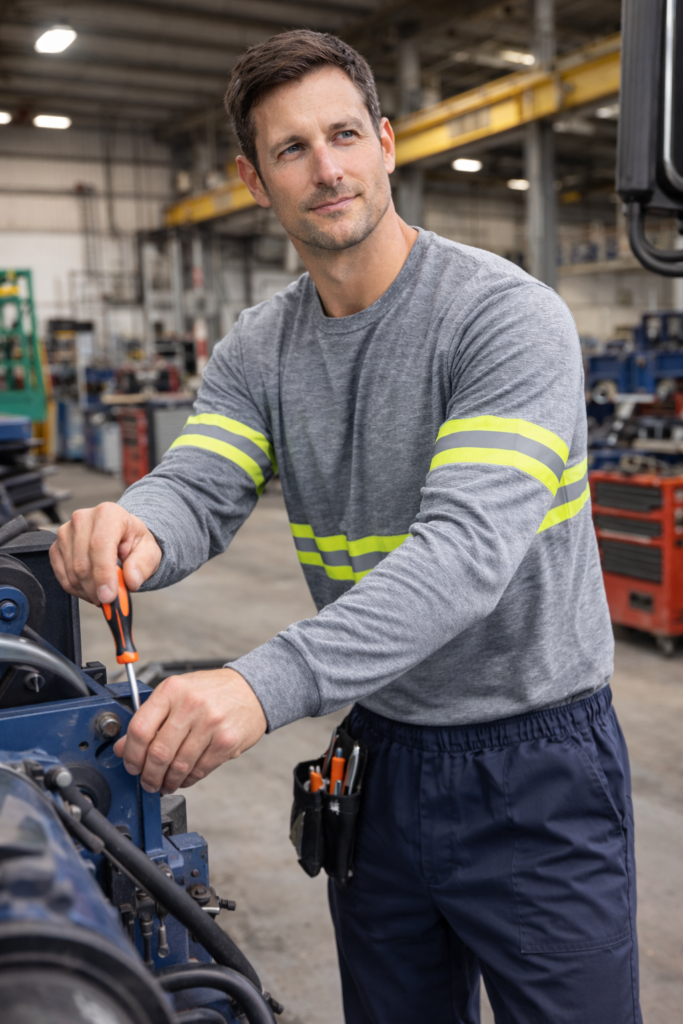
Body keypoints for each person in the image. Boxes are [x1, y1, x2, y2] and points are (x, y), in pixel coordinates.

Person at [50, 30, 641, 1024]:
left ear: (385, 141)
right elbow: (198, 484)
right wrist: (132, 529)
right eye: (291, 149)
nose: (325, 169)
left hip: (533, 768)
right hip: (383, 755)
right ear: (252, 179)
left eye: (342, 135)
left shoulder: (502, 319)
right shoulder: (259, 347)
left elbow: (459, 559)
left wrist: (256, 683)